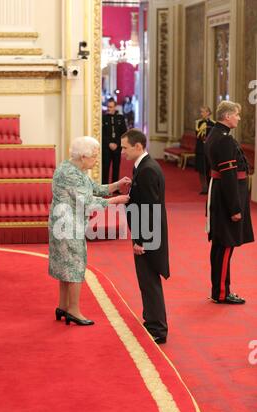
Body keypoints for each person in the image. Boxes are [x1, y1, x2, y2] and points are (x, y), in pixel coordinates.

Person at [48, 136, 131, 326]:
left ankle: (63, 306)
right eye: (93, 157)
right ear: (83, 156)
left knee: (65, 265)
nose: (96, 160)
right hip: (68, 225)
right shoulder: (71, 174)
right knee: (75, 265)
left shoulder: (74, 169)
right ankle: (74, 311)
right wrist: (115, 201)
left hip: (64, 223)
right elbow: (87, 201)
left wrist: (116, 185)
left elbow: (94, 189)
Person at [121, 129, 170, 344]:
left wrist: (141, 240)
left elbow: (150, 208)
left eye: (125, 147)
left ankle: (158, 329)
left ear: (138, 146)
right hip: (148, 232)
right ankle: (151, 320)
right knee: (146, 281)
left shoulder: (148, 169)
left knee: (149, 281)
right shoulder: (142, 166)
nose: (123, 151)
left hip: (149, 234)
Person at [205, 100, 254, 304]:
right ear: (227, 116)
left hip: (219, 194)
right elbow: (229, 176)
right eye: (236, 114)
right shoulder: (224, 139)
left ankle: (219, 290)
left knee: (220, 246)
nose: (239, 118)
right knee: (225, 245)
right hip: (228, 198)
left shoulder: (216, 134)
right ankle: (222, 293)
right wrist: (235, 208)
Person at [102, 98, 127, 184]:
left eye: (111, 107)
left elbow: (123, 132)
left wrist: (117, 143)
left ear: (115, 107)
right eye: (108, 106)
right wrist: (109, 143)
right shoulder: (103, 118)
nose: (109, 108)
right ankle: (104, 186)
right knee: (105, 167)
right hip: (106, 147)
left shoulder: (120, 118)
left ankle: (115, 187)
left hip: (117, 147)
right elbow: (102, 133)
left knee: (116, 167)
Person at [195, 106, 215, 194]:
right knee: (201, 169)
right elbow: (197, 134)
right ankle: (204, 188)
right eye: (201, 112)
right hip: (200, 149)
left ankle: (210, 187)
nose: (201, 114)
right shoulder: (198, 123)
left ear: (208, 113)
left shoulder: (213, 123)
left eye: (203, 112)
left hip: (209, 150)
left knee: (209, 169)